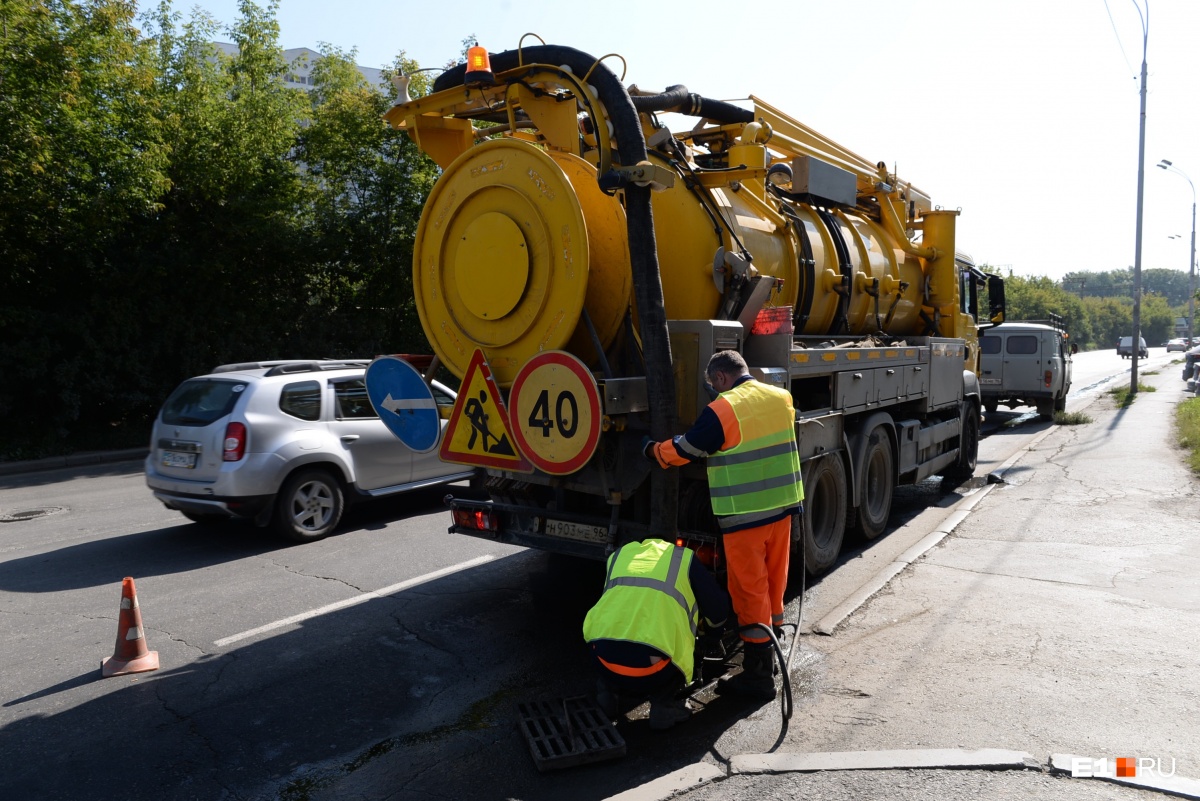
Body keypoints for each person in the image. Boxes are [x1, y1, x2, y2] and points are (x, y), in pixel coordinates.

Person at [644, 350, 803, 701]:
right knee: (774, 586)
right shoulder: (781, 397)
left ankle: (759, 678)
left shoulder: (722, 409)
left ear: (719, 378)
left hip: (745, 517)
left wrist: (654, 451)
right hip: (782, 510)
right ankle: (772, 655)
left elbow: (688, 449)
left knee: (749, 592)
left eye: (710, 385)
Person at [583, 538, 730, 730]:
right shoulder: (684, 559)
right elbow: (717, 609)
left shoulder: (619, 555)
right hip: (654, 668)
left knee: (616, 644)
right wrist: (712, 635)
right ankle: (665, 706)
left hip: (603, 658)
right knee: (673, 649)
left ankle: (608, 696)